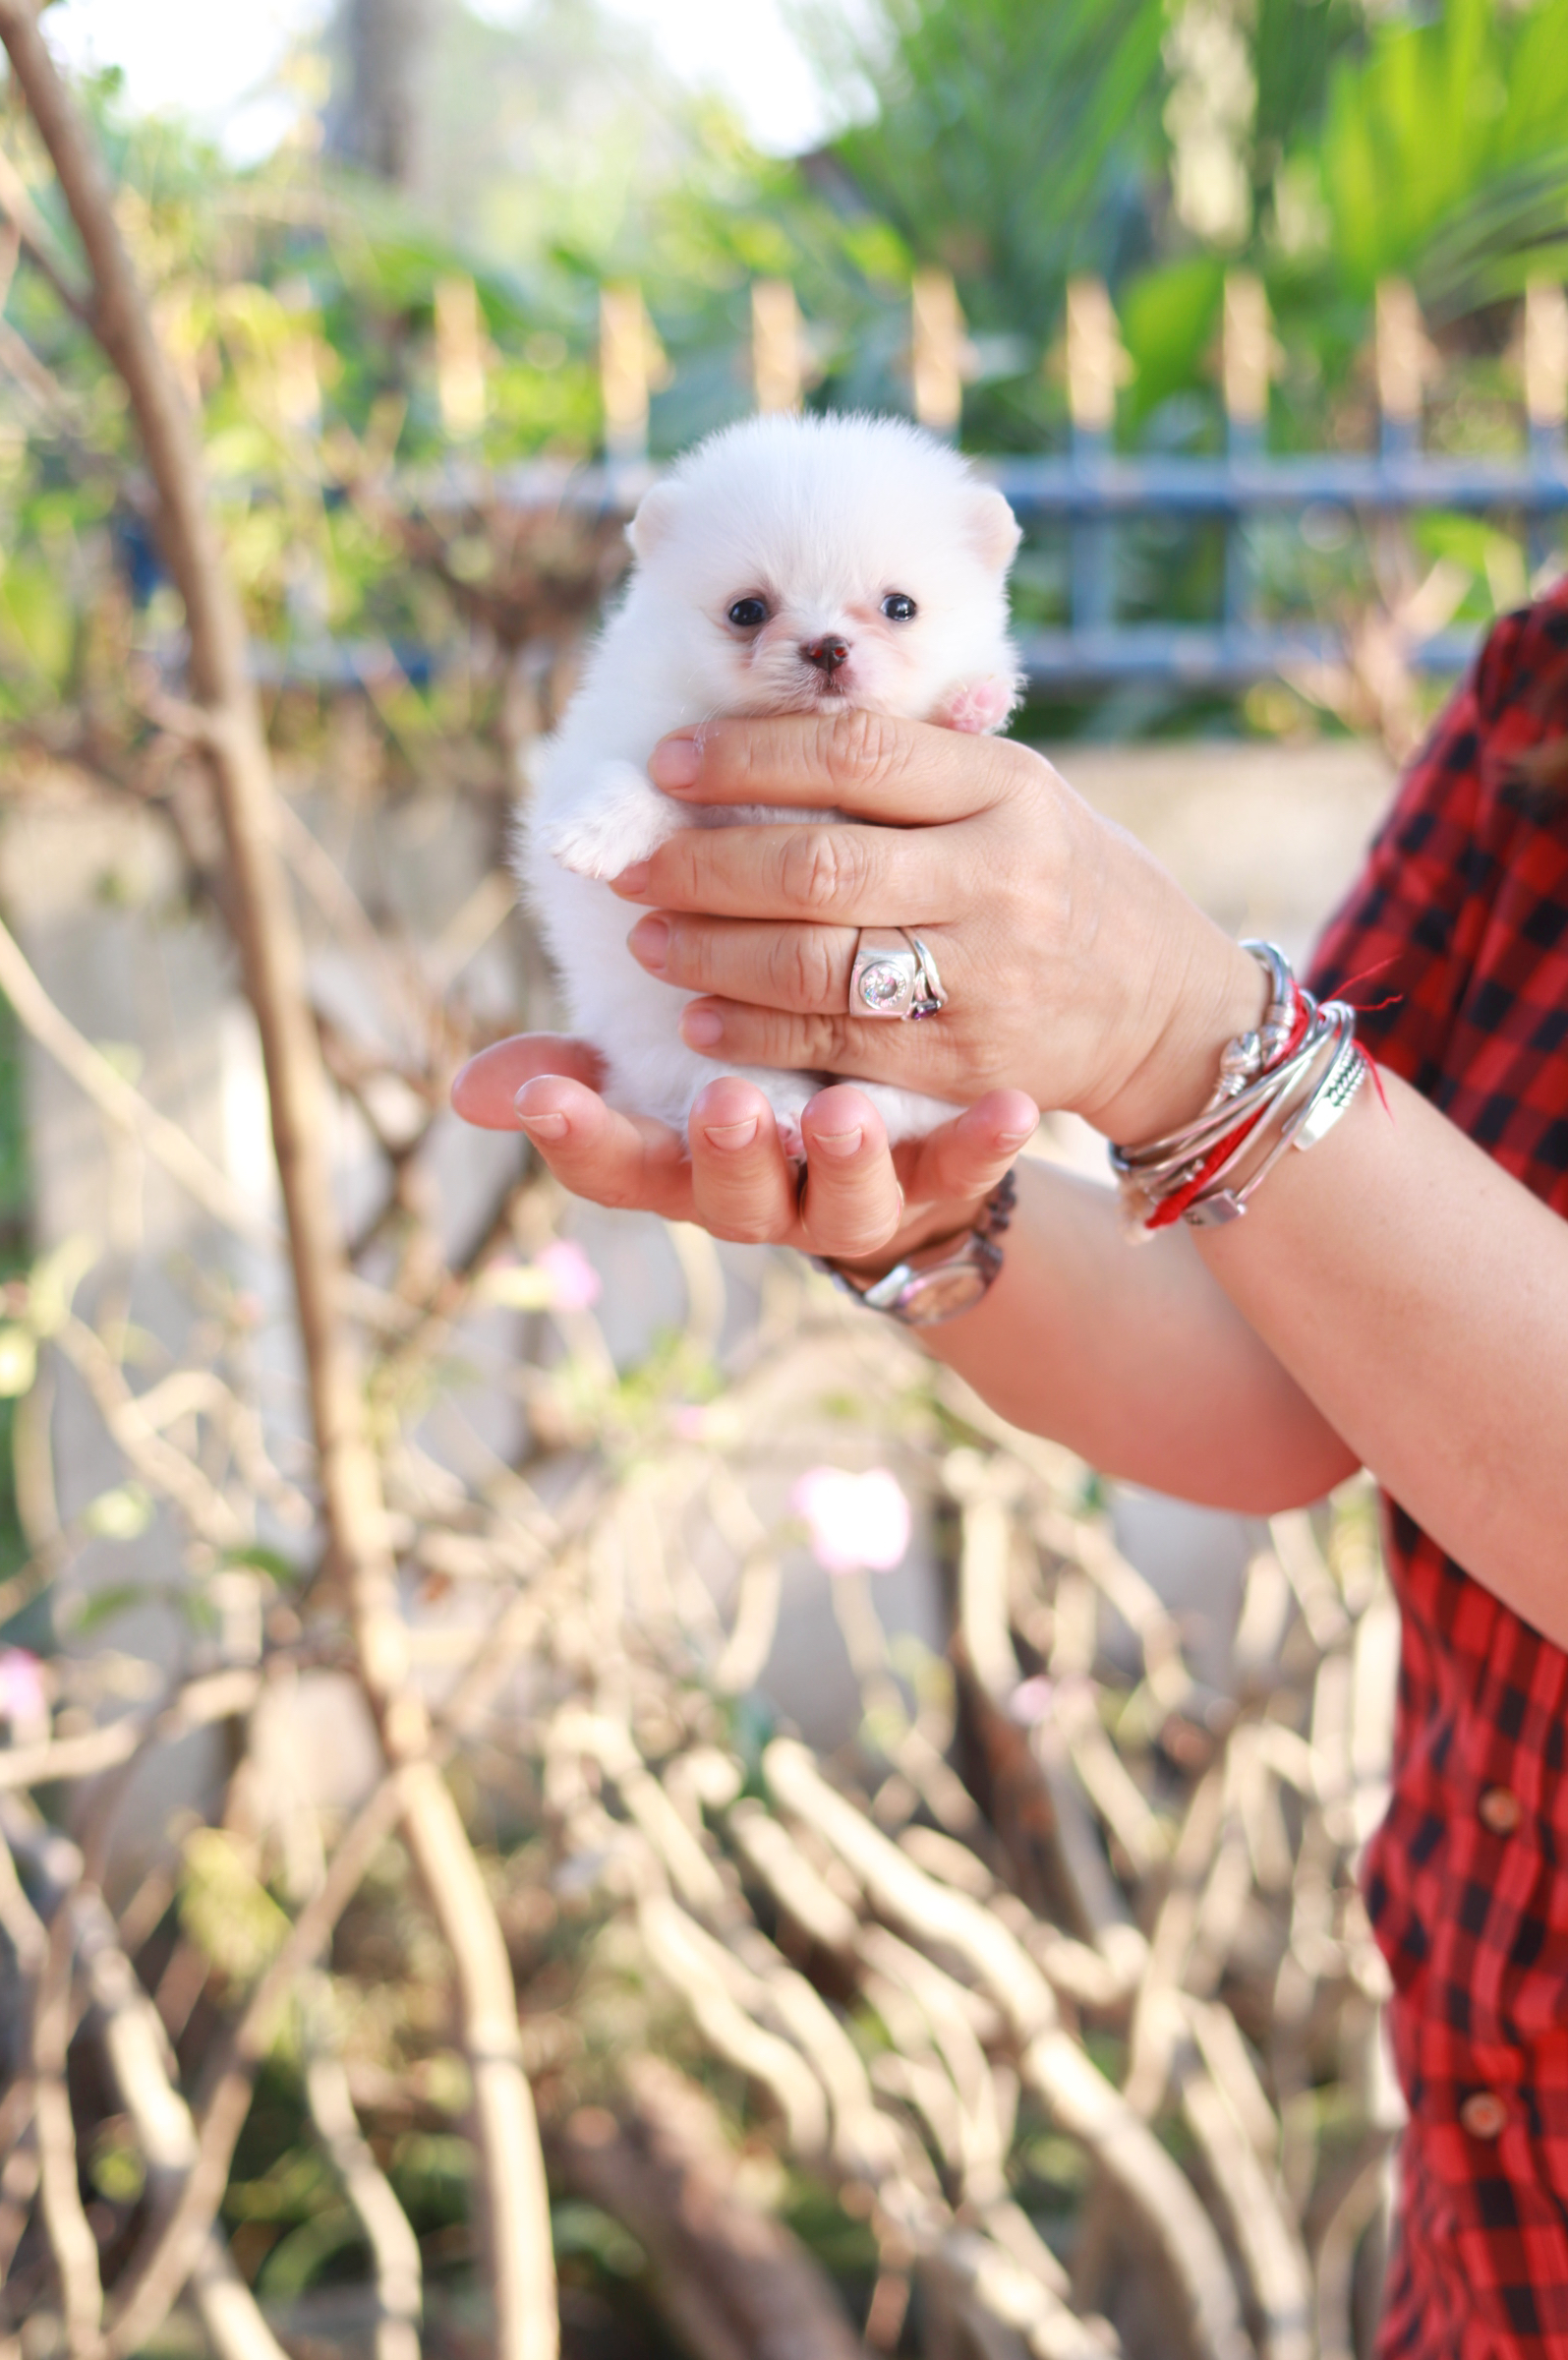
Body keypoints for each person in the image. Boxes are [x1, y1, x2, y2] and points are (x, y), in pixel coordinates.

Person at [455, 578, 1568, 2359]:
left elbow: (1245, 1120)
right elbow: (1295, 1376)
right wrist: (917, 1211)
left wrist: (1179, 1035)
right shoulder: (1545, 687)